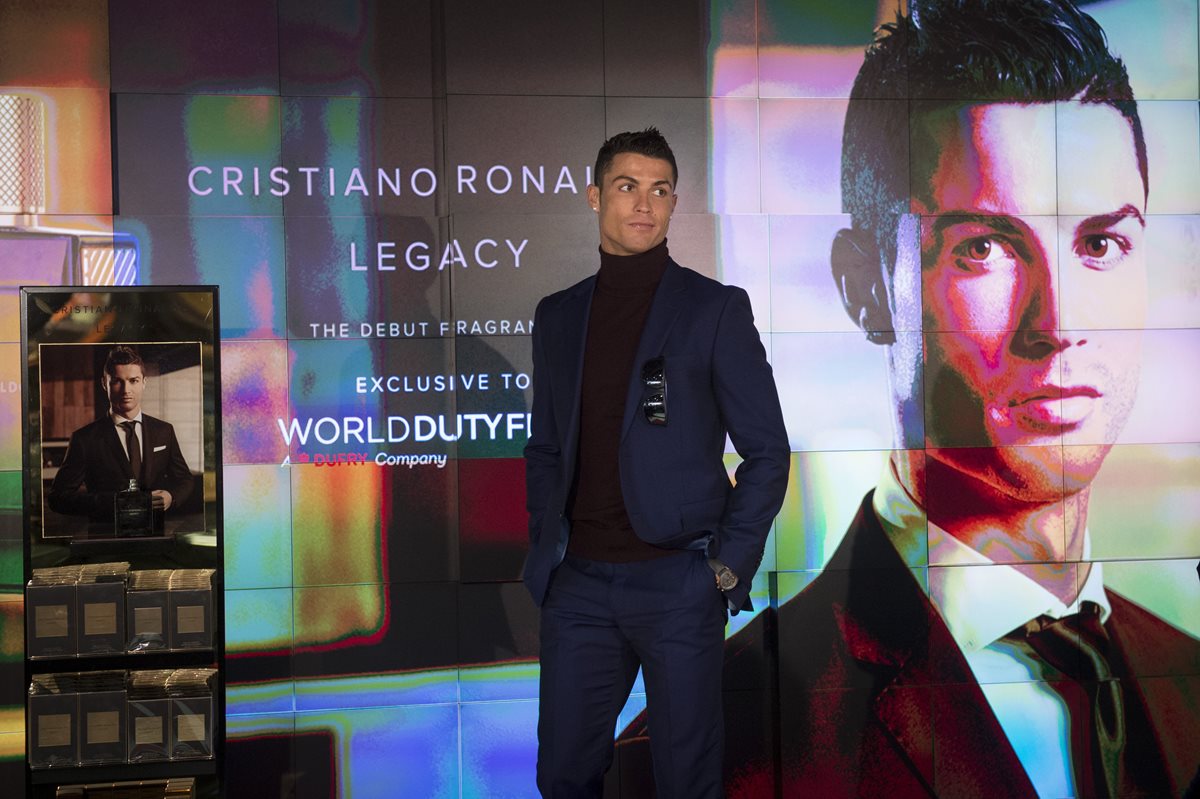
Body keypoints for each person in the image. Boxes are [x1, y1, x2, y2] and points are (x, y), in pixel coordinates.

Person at [683, 1, 1200, 797]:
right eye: (984, 248)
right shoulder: (722, 744)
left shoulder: (1190, 677)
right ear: (865, 288)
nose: (1058, 324)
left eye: (1100, 243)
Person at [523, 128, 790, 797]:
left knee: (686, 779)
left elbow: (767, 449)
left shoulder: (714, 309)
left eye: (660, 189)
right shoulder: (557, 316)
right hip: (579, 586)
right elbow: (546, 445)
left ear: (673, 203)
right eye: (626, 186)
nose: (644, 203)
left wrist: (725, 563)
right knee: (563, 773)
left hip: (678, 583)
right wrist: (547, 550)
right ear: (594, 197)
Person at [49, 345, 193, 532]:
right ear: (104, 384)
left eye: (133, 381)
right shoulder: (84, 439)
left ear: (144, 382)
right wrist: (114, 502)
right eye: (117, 381)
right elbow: (58, 498)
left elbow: (186, 481)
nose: (126, 390)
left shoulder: (164, 430)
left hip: (155, 533)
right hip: (105, 536)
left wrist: (171, 497)